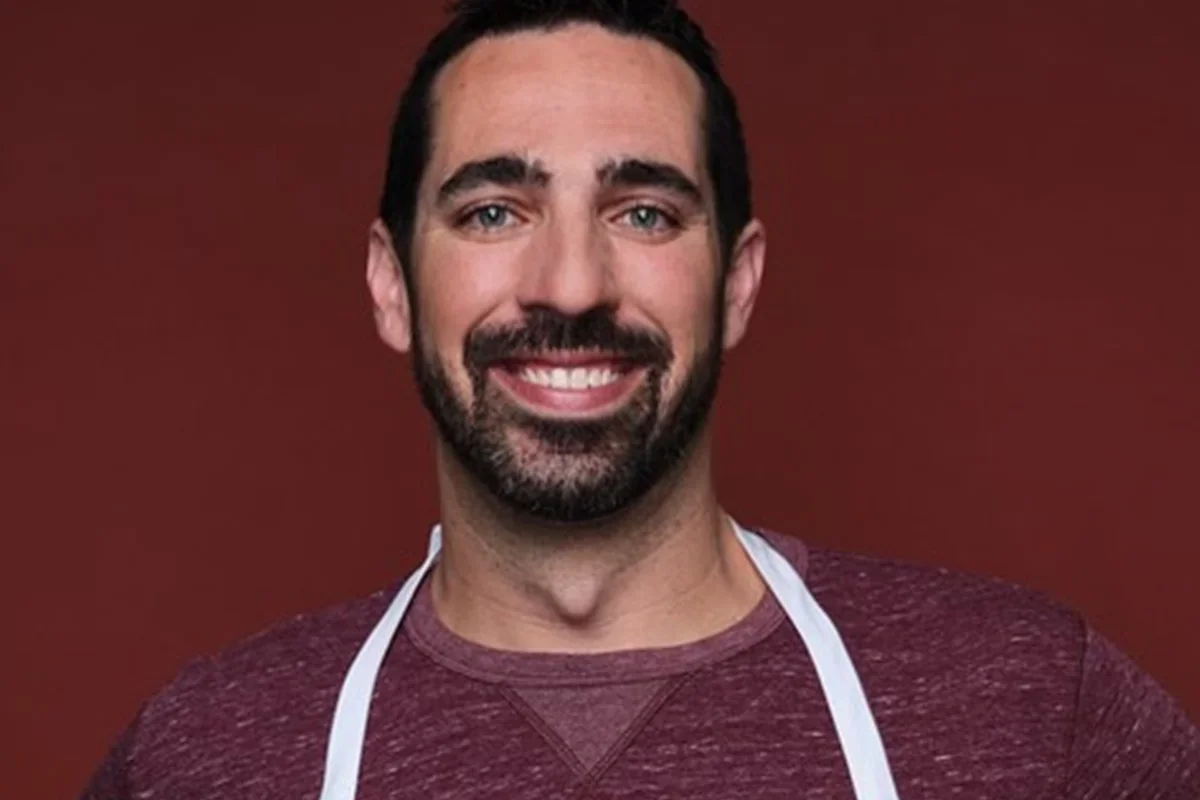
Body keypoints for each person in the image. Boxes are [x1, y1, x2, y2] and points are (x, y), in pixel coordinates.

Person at [82, 1, 1199, 797]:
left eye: (645, 213)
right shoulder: (210, 753)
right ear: (391, 285)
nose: (572, 284)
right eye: (493, 211)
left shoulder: (1024, 707)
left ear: (737, 284)